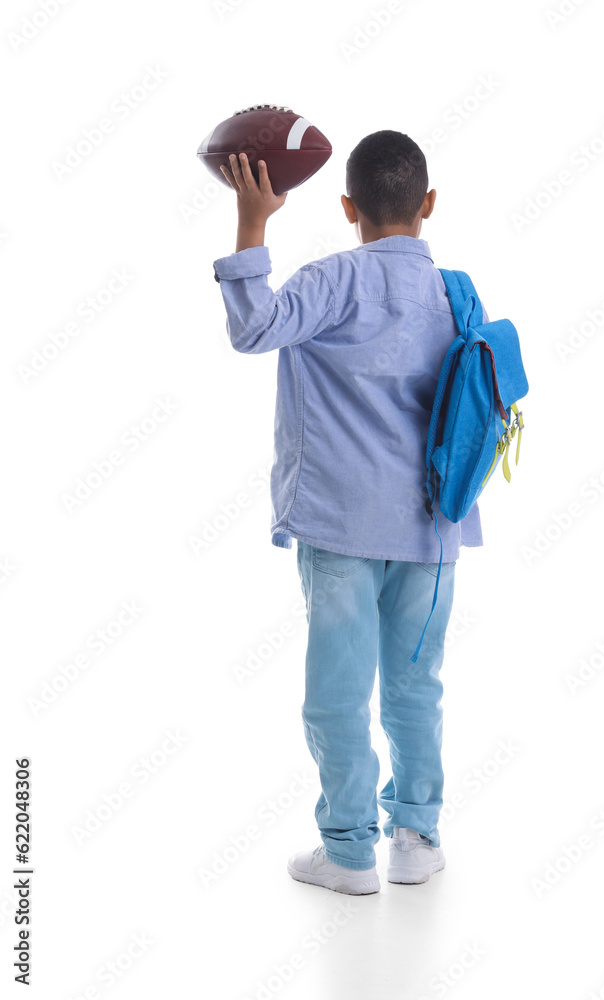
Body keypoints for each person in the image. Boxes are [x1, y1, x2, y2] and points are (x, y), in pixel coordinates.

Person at [213, 130, 488, 894]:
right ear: (427, 204)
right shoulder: (455, 292)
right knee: (415, 687)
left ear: (346, 208)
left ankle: (347, 851)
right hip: (434, 525)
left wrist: (253, 222)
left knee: (338, 690)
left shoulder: (333, 280)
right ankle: (415, 835)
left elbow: (253, 328)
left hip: (340, 524)